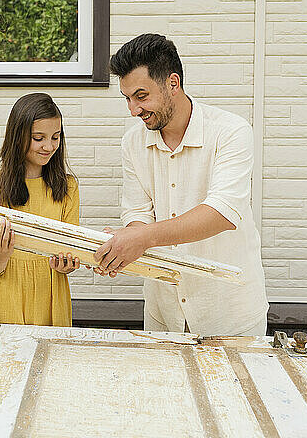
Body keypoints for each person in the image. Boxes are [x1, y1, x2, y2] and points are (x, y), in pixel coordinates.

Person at [94, 34, 269, 337]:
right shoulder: (132, 142)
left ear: (172, 83)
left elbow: (222, 214)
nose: (133, 110)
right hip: (163, 314)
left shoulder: (231, 132)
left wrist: (140, 238)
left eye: (141, 95)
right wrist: (121, 247)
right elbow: (138, 215)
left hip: (230, 316)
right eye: (127, 98)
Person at [0, 93, 80, 334]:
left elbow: (70, 253)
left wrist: (66, 265)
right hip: (6, 294)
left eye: (56, 137)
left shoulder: (68, 186)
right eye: (38, 138)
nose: (49, 146)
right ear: (17, 137)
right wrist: (0, 254)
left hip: (50, 293)